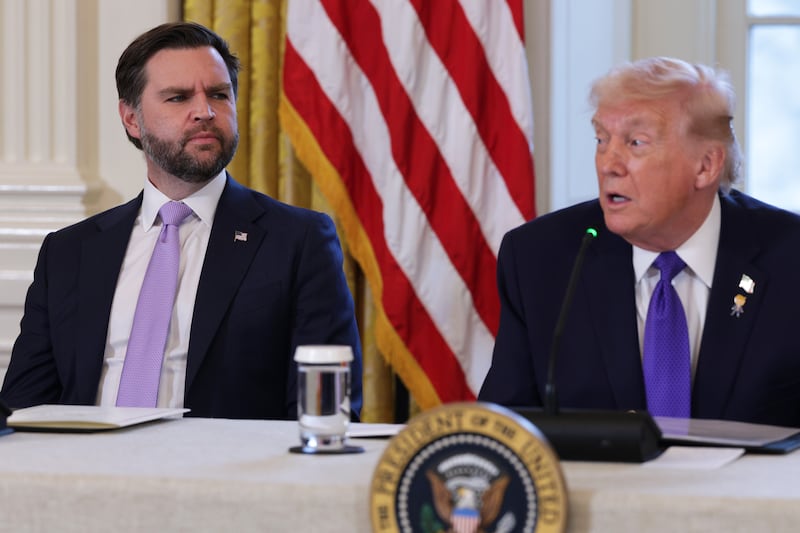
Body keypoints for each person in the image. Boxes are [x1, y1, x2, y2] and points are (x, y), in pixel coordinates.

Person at [0, 22, 362, 420]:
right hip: (86, 473)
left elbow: (325, 413)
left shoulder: (298, 241)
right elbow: (22, 410)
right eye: (178, 97)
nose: (205, 112)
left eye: (219, 95)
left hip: (226, 478)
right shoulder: (69, 251)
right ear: (131, 118)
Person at [479, 56, 800, 427]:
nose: (608, 164)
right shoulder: (541, 258)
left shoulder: (789, 259)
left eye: (635, 142)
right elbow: (505, 429)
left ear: (706, 166)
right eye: (601, 139)